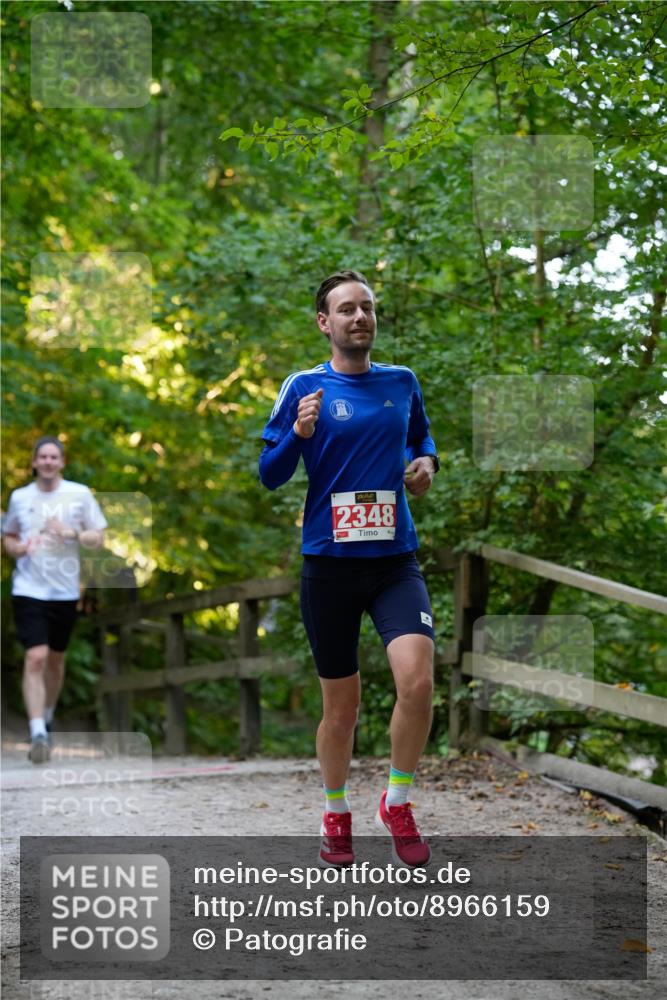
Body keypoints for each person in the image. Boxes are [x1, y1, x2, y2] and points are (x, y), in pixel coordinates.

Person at [259, 270, 440, 868]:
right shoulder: (303, 387)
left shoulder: (402, 381)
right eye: (346, 310)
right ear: (325, 323)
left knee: (417, 682)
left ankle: (398, 800)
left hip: (394, 560)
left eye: (366, 308)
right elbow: (270, 472)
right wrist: (299, 433)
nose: (359, 317)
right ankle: (336, 811)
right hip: (329, 565)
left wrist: (426, 465)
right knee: (342, 708)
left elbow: (422, 439)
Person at [2, 436, 107, 763]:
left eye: (53, 457)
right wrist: (15, 548)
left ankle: (46, 715)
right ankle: (37, 733)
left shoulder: (78, 495)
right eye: (42, 457)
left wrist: (71, 533)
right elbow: (9, 536)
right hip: (28, 588)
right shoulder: (21, 497)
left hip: (64, 591)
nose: (47, 462)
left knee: (56, 661)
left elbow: (99, 539)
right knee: (35, 656)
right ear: (34, 462)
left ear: (62, 462)